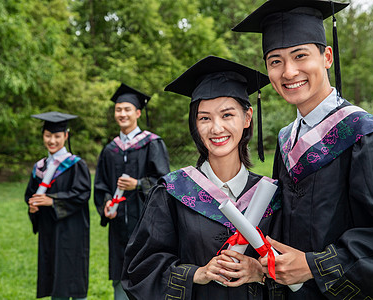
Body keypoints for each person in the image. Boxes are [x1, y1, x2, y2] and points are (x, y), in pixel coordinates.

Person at [232, 0, 373, 299]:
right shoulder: (287, 141)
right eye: (275, 61)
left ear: (327, 57)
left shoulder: (366, 135)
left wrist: (313, 265)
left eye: (300, 56)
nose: (289, 71)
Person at [121, 56, 282, 300]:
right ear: (195, 124)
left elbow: (295, 274)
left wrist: (259, 271)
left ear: (247, 117)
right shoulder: (173, 192)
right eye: (204, 118)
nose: (216, 128)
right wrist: (196, 274)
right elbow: (139, 271)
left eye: (227, 115)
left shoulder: (270, 196)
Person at [94, 83, 170, 300]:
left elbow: (164, 182)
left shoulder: (151, 144)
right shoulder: (110, 150)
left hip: (147, 226)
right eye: (118, 110)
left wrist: (137, 184)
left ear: (137, 112)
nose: (122, 114)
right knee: (120, 278)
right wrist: (106, 205)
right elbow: (100, 187)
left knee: (147, 275)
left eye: (127, 109)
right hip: (119, 228)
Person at [25, 111, 91, 300]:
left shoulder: (76, 165)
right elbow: (30, 194)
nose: (52, 141)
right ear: (43, 136)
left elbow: (82, 194)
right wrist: (33, 206)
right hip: (49, 230)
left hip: (72, 231)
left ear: (66, 136)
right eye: (48, 136)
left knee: (73, 278)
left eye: (57, 136)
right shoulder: (40, 167)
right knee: (54, 280)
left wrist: (52, 201)